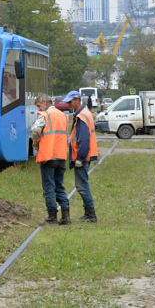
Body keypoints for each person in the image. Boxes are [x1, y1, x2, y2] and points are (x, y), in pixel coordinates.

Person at [31, 94, 70, 225]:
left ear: (45, 103)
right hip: (61, 156)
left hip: (48, 156)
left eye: (39, 106)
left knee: (49, 187)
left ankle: (52, 218)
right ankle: (66, 217)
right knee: (59, 186)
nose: (38, 109)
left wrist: (35, 144)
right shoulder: (64, 116)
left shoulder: (45, 115)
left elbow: (35, 129)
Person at [65, 90, 99, 223]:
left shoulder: (82, 116)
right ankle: (89, 214)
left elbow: (84, 139)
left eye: (70, 101)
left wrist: (80, 157)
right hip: (84, 155)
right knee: (82, 185)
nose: (68, 104)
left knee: (82, 186)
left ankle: (90, 215)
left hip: (83, 157)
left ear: (77, 100)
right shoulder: (83, 113)